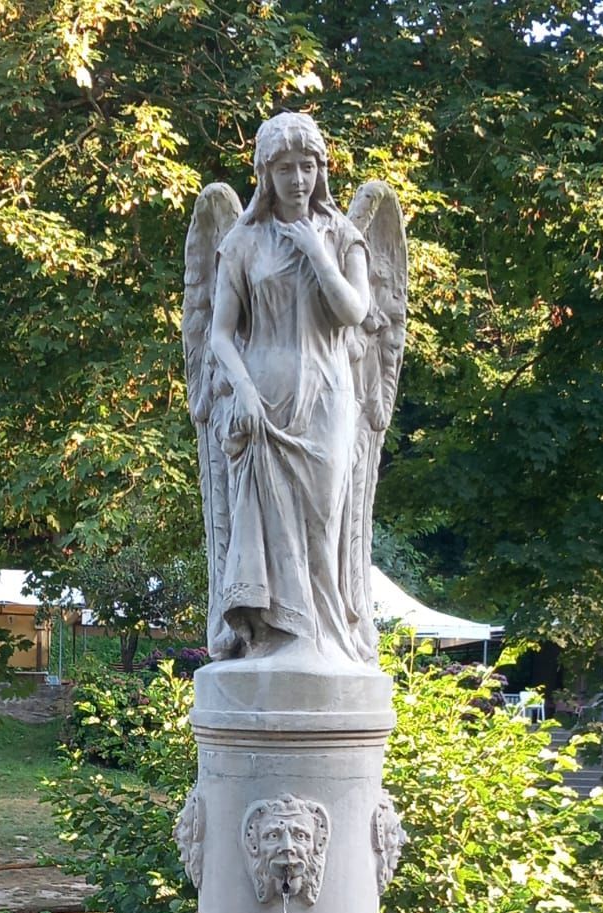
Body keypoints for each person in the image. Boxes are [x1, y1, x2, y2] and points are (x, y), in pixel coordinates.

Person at [208, 112, 373, 662]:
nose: (298, 180)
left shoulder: (342, 237)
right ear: (265, 174)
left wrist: (315, 251)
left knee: (324, 518)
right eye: (285, 169)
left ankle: (326, 640)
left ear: (321, 171)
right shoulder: (242, 242)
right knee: (271, 525)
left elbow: (354, 309)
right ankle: (278, 638)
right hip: (264, 399)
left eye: (307, 167)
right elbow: (220, 336)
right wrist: (244, 391)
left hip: (327, 394)